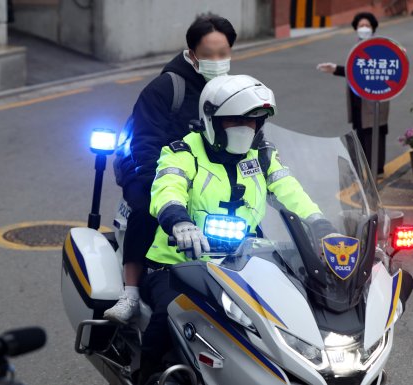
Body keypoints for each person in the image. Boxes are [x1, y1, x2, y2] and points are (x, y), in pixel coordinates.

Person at [138, 74, 334, 382]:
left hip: (244, 262)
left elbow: (290, 190)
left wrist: (320, 223)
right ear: (212, 119)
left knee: (285, 315)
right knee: (168, 313)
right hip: (178, 263)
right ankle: (146, 374)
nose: (246, 129)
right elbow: (167, 187)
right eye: (235, 121)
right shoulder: (183, 152)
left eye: (254, 121)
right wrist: (180, 221)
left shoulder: (263, 155)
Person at [104, 15, 237, 324]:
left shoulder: (230, 89)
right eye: (209, 55)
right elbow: (145, 142)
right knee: (145, 209)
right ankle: (132, 293)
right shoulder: (167, 88)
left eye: (224, 53)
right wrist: (161, 187)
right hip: (149, 166)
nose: (218, 61)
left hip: (201, 169)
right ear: (192, 54)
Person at [317, 12, 390, 175]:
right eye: (360, 26)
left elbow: (389, 66)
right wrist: (335, 69)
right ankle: (362, 169)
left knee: (374, 132)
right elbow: (355, 71)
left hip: (374, 99)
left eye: (367, 26)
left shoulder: (380, 45)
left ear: (373, 28)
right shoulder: (358, 46)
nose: (363, 28)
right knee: (361, 132)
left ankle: (376, 170)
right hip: (358, 99)